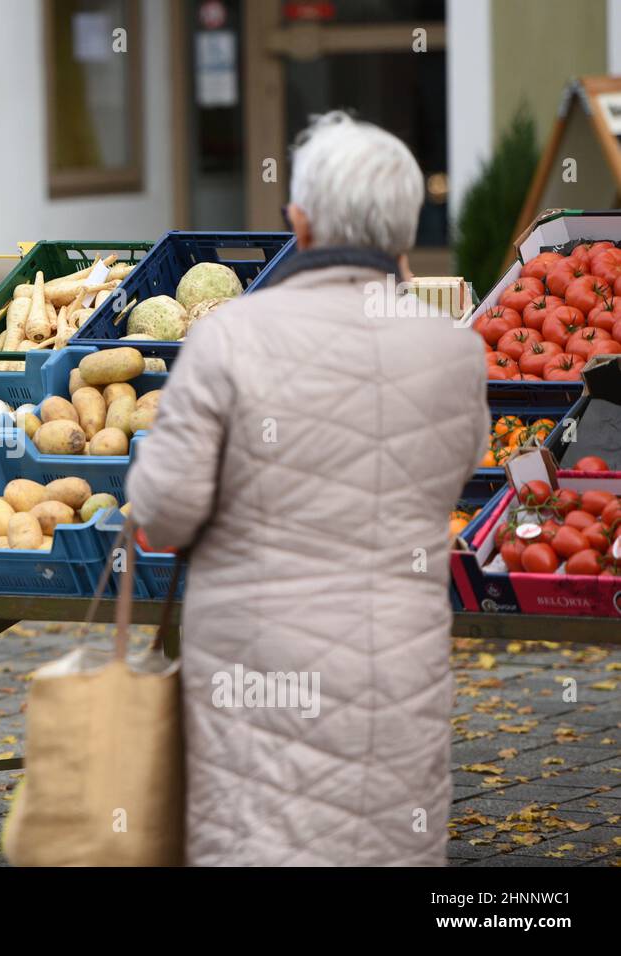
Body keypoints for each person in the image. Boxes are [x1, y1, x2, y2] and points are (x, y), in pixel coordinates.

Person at [126, 111, 488, 866]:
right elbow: (459, 471)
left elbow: (161, 511)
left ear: (298, 219)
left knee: (258, 842)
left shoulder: (229, 336)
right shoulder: (453, 351)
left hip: (257, 668)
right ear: (406, 227)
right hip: (396, 664)